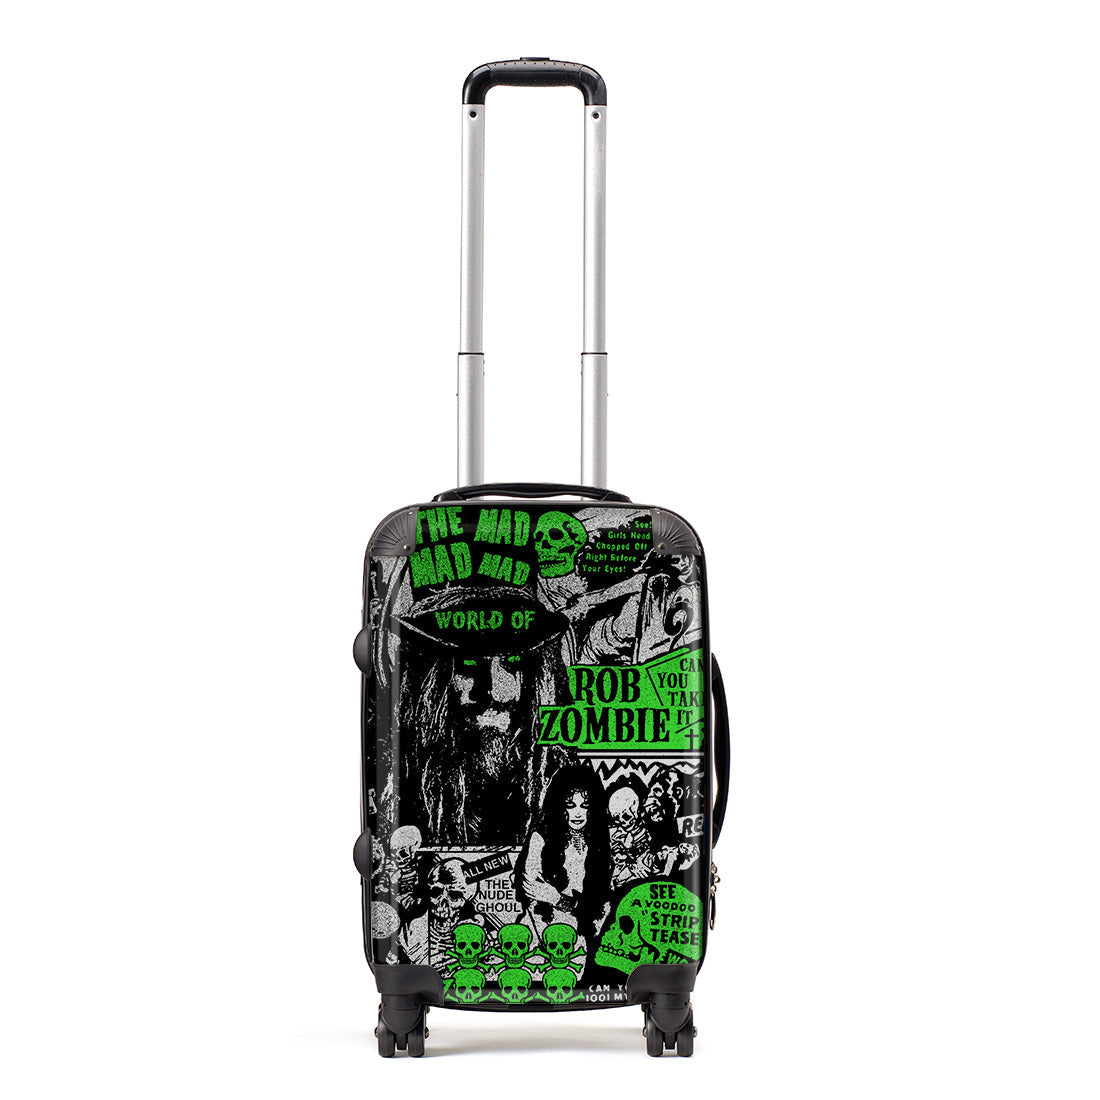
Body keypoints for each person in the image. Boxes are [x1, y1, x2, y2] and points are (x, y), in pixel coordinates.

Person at [515, 765, 612, 968]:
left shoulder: (600, 846)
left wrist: (559, 900)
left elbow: (600, 906)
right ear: (559, 805)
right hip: (540, 935)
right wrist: (575, 905)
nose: (578, 813)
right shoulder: (540, 839)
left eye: (584, 805)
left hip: (581, 939)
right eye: (570, 805)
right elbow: (532, 889)